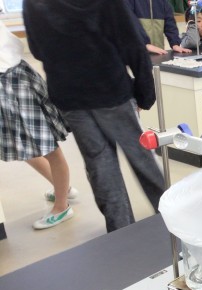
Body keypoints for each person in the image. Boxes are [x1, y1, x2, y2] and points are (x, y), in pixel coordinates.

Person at [23, 0, 166, 233]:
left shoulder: (33, 3)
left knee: (100, 166)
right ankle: (171, 219)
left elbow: (37, 49)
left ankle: (121, 233)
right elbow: (132, 43)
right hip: (110, 88)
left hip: (69, 93)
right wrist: (145, 93)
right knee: (141, 157)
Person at [0, 21, 76, 230]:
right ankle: (63, 189)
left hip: (11, 80)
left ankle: (62, 206)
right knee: (25, 146)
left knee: (48, 147)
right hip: (12, 77)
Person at [125, 0, 192, 54]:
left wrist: (175, 44)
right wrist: (145, 44)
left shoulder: (163, 2)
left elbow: (170, 24)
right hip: (136, 55)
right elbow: (128, 23)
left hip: (158, 53)